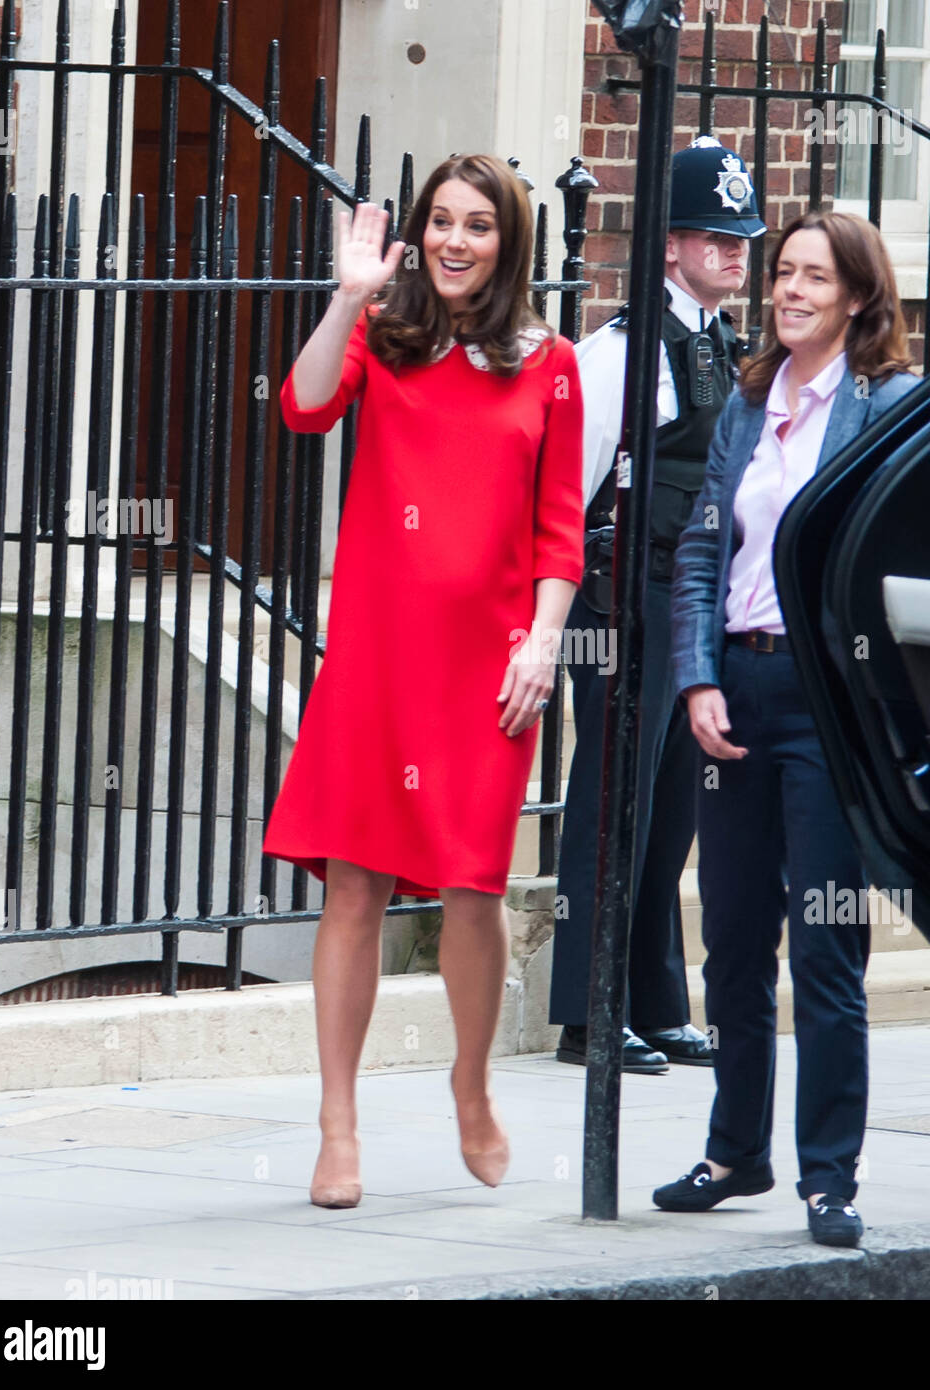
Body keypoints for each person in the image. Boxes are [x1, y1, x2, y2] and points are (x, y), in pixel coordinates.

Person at [262, 155, 584, 1208]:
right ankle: (336, 1123)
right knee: (352, 882)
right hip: (376, 659)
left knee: (471, 888)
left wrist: (541, 641)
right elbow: (302, 409)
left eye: (477, 225)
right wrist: (348, 294)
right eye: (439, 221)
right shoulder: (381, 337)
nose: (453, 240)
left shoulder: (550, 365)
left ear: (508, 243)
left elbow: (559, 527)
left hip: (487, 668)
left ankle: (470, 1084)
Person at [654, 210, 920, 1246]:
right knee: (727, 939)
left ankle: (828, 1177)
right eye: (781, 273)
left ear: (856, 295)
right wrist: (694, 678)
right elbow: (695, 554)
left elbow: (897, 551)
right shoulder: (749, 403)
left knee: (823, 948)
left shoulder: (885, 402)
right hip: (739, 695)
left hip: (826, 709)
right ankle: (735, 1151)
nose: (789, 291)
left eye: (813, 276)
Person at [549, 138, 767, 1073]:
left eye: (740, 237)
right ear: (670, 243)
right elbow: (570, 490)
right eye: (715, 236)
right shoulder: (618, 351)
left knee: (672, 805)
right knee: (612, 802)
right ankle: (586, 1012)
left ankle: (652, 1000)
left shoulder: (721, 344)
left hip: (692, 602)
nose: (733, 252)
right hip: (621, 602)